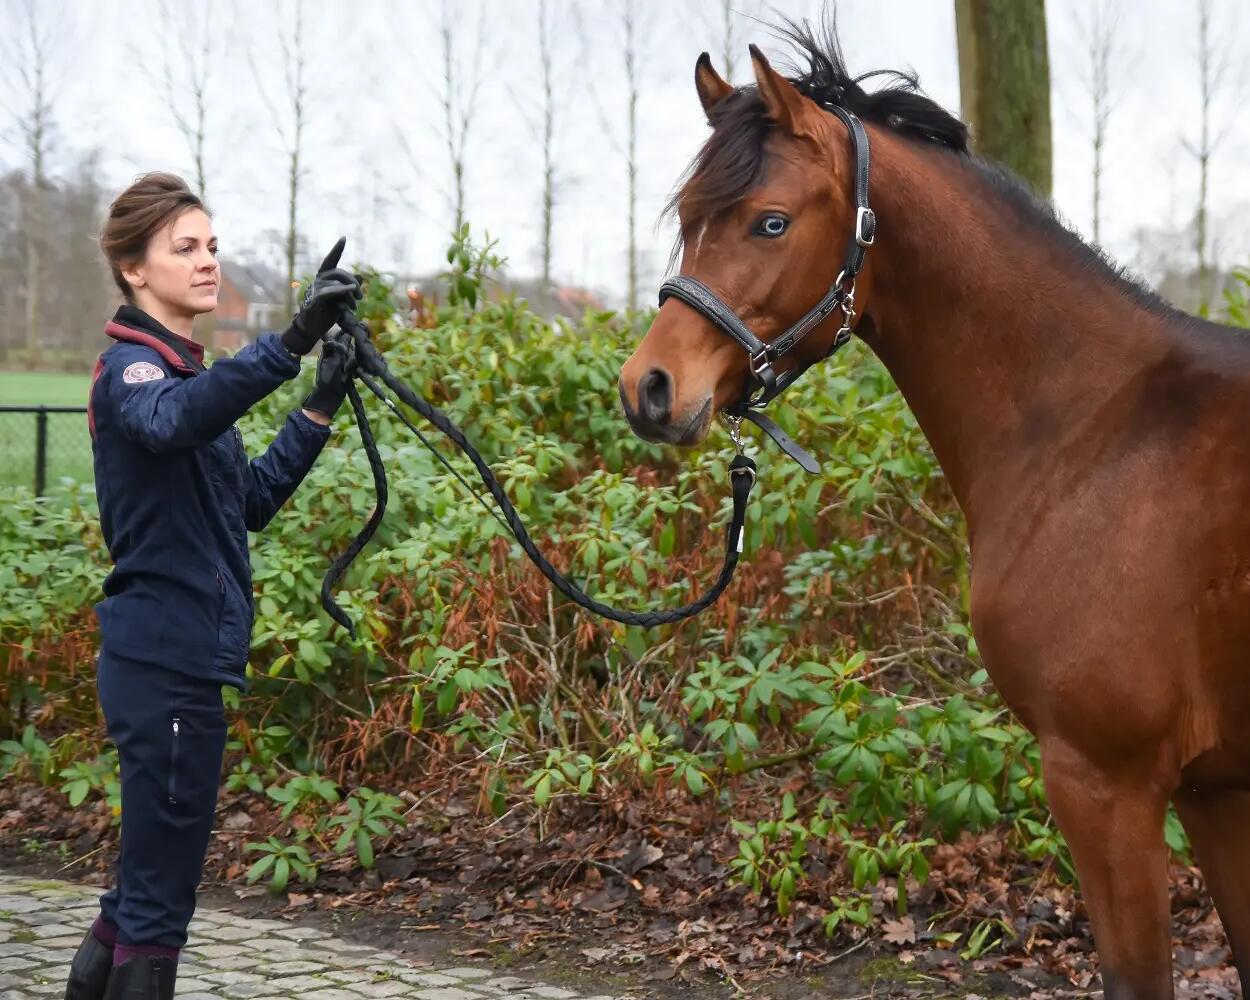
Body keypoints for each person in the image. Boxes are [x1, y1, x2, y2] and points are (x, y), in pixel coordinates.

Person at [65, 172, 362, 1000]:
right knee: (158, 910)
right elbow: (174, 421)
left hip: (181, 663)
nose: (207, 263)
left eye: (212, 246)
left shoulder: (182, 378)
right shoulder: (132, 374)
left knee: (135, 900)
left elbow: (251, 502)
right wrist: (290, 338)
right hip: (163, 665)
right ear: (134, 270)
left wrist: (319, 403)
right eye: (185, 248)